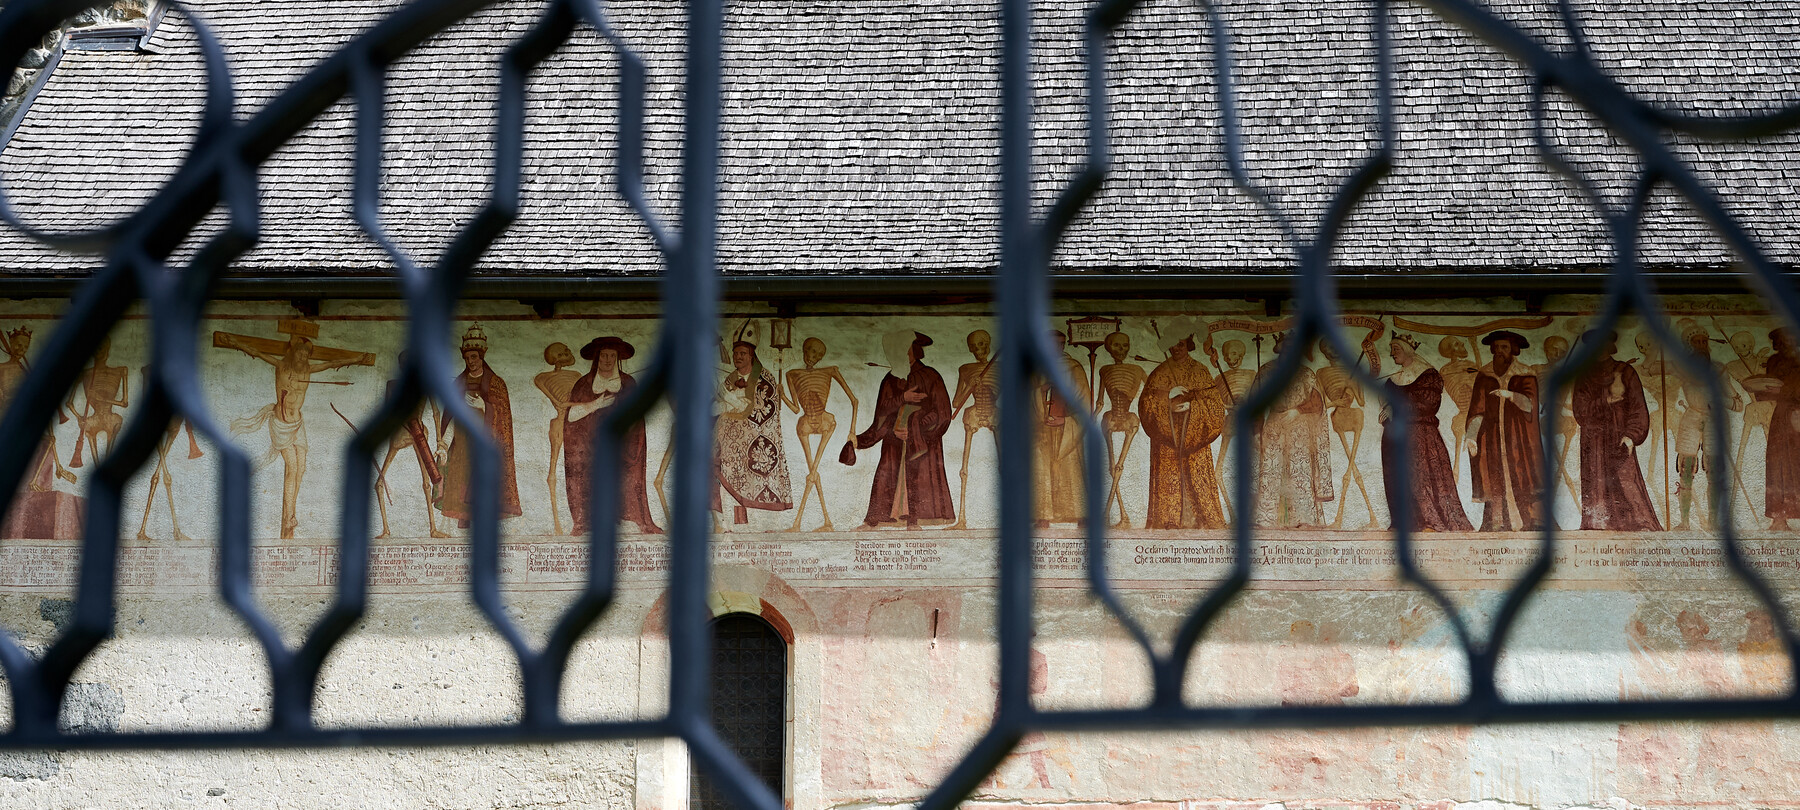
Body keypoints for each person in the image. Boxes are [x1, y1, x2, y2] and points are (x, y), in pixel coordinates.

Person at [847, 330, 954, 529]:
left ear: (912, 350)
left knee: (917, 477)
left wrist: (916, 429)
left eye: (901, 350)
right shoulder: (890, 379)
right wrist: (860, 440)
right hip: (893, 442)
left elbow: (943, 414)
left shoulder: (930, 376)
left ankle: (913, 521)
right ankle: (876, 520)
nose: (896, 355)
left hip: (922, 442)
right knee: (886, 475)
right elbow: (882, 414)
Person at [565, 336, 660, 535]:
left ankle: (625, 519)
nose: (607, 359)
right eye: (604, 355)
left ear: (617, 358)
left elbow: (637, 416)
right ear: (597, 358)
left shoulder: (628, 383)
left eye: (612, 355)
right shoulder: (584, 384)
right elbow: (571, 417)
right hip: (590, 446)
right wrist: (596, 404)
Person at [1380, 333, 1473, 532]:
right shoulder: (1394, 379)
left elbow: (1429, 404)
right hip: (1394, 436)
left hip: (1420, 433)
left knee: (1421, 477)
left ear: (1406, 350)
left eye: (1395, 349)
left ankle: (1429, 521)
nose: (1391, 353)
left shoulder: (1428, 375)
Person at [1138, 321, 1227, 529]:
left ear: (1188, 344)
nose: (1176, 349)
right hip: (1167, 438)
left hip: (1195, 435)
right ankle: (1169, 521)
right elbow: (1146, 405)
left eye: (1180, 344)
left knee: (1196, 477)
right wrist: (1167, 398)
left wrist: (1192, 406)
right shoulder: (1160, 372)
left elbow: (1215, 406)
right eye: (1173, 345)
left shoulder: (1200, 370)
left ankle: (1201, 520)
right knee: (1169, 477)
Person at [1570, 329, 1661, 531]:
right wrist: (1606, 400)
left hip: (1620, 437)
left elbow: (1638, 408)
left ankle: (1641, 525)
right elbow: (1580, 411)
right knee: (1596, 483)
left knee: (1626, 479)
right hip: (1593, 440)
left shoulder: (1626, 372)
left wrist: (1631, 436)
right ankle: (1597, 524)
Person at [435, 324, 522, 528]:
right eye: (467, 358)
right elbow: (451, 417)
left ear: (481, 357)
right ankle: (465, 517)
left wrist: (484, 406)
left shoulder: (496, 383)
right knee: (461, 480)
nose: (470, 361)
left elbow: (503, 418)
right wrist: (444, 445)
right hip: (462, 443)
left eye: (474, 357)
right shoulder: (458, 383)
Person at [1465, 329, 1547, 531]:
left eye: (1504, 347)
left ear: (1513, 350)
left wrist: (1510, 395)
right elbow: (1477, 409)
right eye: (1497, 347)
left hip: (1519, 438)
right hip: (1492, 437)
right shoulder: (1484, 375)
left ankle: (1532, 522)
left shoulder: (1525, 373)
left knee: (1523, 474)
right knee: (1493, 476)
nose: (1499, 351)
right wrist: (1471, 436)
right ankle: (1496, 522)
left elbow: (1530, 405)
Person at [1253, 333, 1333, 529]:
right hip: (1274, 426)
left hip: (1299, 429)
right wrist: (1256, 432)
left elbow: (1317, 403)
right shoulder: (1266, 372)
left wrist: (1298, 410)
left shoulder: (1306, 374)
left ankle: (1304, 519)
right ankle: (1266, 519)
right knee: (1270, 471)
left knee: (1301, 472)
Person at [715, 338, 793, 526]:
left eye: (742, 354)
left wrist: (739, 414)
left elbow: (766, 411)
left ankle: (759, 523)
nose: (737, 357)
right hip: (731, 438)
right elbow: (722, 405)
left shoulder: (765, 378)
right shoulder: (730, 379)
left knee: (753, 474)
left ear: (751, 356)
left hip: (758, 437)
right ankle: (734, 520)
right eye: (735, 354)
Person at [783, 337, 857, 532]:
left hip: (825, 421)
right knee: (813, 474)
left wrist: (852, 431)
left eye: (818, 355)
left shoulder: (830, 371)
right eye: (810, 351)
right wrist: (781, 395)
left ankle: (801, 523)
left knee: (811, 475)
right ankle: (826, 522)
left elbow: (854, 401)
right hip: (806, 422)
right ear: (804, 350)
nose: (812, 357)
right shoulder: (791, 374)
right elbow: (796, 408)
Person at [1034, 330, 1089, 528]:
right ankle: (1043, 516)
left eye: (1060, 344)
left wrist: (1065, 421)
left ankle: (1080, 514)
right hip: (1041, 430)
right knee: (1042, 470)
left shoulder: (1074, 368)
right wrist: (1039, 393)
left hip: (1068, 430)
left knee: (1071, 469)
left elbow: (1085, 405)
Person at [949, 329, 999, 530]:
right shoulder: (965, 368)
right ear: (970, 349)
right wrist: (970, 385)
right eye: (974, 346)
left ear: (988, 344)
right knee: (964, 468)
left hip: (995, 411)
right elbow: (956, 402)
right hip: (973, 412)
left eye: (982, 344)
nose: (979, 349)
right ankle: (961, 519)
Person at [1098, 331, 1146, 529]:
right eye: (1116, 346)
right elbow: (1101, 400)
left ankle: (1114, 515)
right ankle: (1121, 516)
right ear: (1109, 348)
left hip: (1128, 418)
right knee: (1112, 466)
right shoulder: (1104, 370)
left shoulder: (1137, 368)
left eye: (1125, 345)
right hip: (1111, 417)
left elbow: (1151, 390)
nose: (1121, 350)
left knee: (1118, 465)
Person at [535, 342, 581, 535]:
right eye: (564, 352)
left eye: (568, 349)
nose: (569, 354)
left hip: (579, 422)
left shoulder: (577, 376)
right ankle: (556, 525)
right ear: (555, 358)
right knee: (553, 468)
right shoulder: (543, 378)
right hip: (561, 422)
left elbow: (577, 401)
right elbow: (559, 403)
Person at [1761, 329, 1800, 530]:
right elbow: (1767, 391)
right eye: (1783, 340)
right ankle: (1779, 518)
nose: (1787, 343)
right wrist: (1761, 390)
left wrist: (1784, 390)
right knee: (1777, 464)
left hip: (1797, 413)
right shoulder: (1774, 362)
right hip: (1781, 417)